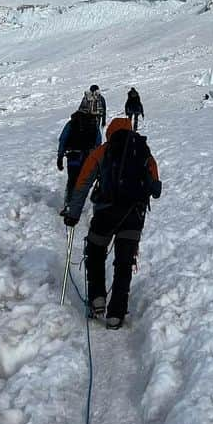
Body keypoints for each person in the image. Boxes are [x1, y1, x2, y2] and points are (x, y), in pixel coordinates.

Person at [62, 118, 162, 329]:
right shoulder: (144, 151)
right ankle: (116, 314)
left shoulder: (102, 151)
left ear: (110, 133)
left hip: (106, 214)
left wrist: (74, 214)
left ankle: (97, 299)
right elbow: (156, 189)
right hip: (134, 217)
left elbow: (83, 183)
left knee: (96, 252)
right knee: (124, 263)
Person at [56, 111, 102, 211]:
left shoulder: (72, 123)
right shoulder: (93, 123)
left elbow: (63, 139)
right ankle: (77, 204)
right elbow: (98, 142)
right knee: (83, 181)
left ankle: (68, 204)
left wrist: (60, 156)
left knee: (72, 179)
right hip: (88, 157)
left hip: (73, 156)